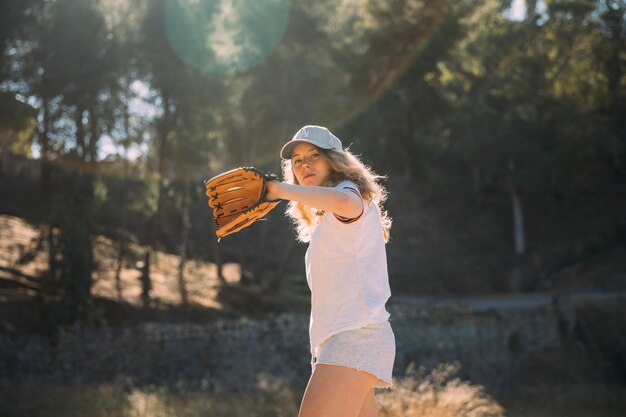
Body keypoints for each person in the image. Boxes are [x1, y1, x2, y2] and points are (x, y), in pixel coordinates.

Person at [264, 125, 396, 417]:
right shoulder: (324, 220)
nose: (304, 164)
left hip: (355, 337)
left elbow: (345, 203)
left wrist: (278, 190)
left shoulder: (349, 192)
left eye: (314, 155)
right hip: (341, 341)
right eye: (297, 160)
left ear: (334, 160)